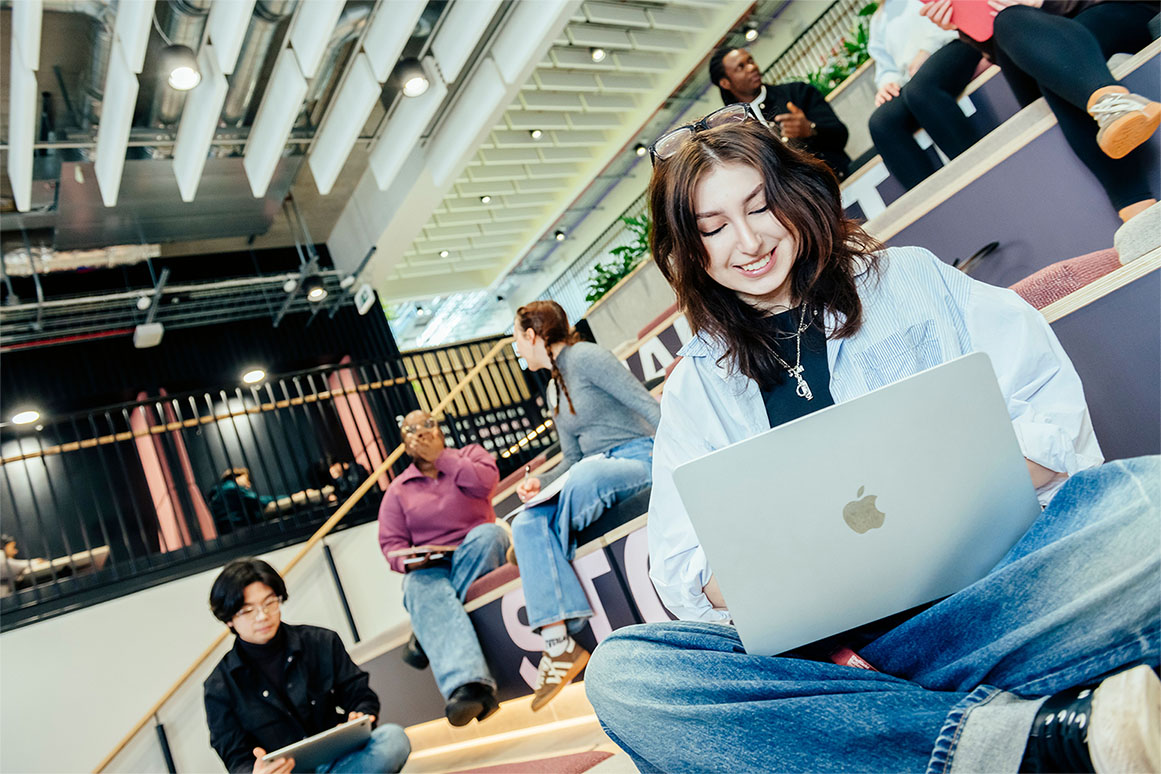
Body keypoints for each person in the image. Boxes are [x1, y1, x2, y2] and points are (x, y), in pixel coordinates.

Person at [584, 115, 1161, 772]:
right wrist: (795, 569)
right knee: (625, 677)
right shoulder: (698, 385)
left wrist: (937, 499)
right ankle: (1013, 738)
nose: (746, 242)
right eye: (713, 228)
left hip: (995, 599)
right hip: (835, 653)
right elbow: (686, 573)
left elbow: (1050, 420)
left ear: (795, 195)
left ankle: (879, 731)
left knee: (1150, 504)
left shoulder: (909, 279)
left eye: (759, 206)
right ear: (690, 251)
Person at [510, 300, 660, 710]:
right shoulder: (553, 388)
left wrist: (681, 454)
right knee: (525, 522)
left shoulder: (588, 357)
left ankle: (539, 552)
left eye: (517, 340)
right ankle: (559, 645)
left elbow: (646, 404)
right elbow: (572, 459)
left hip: (638, 456)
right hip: (591, 469)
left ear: (532, 335)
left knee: (585, 481)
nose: (517, 350)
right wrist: (541, 481)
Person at [920, 0, 1159, 222]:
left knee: (1056, 59)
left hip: (1113, 11)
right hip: (1037, 37)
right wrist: (965, 24)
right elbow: (1000, 47)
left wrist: (1042, 2)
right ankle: (1112, 102)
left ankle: (1136, 206)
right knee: (1012, 23)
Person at [203, 558, 410, 774]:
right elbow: (235, 755)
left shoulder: (320, 641)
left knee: (393, 739)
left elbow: (359, 695)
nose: (263, 616)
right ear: (228, 619)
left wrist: (359, 716)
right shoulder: (219, 686)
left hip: (339, 759)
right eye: (247, 611)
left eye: (269, 603)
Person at [377, 410, 509, 726]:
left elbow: (486, 484)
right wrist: (410, 557)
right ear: (404, 443)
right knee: (416, 584)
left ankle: (428, 629)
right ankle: (468, 687)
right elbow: (391, 547)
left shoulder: (470, 456)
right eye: (410, 430)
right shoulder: (398, 490)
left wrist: (443, 459)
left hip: (474, 553)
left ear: (440, 430)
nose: (420, 434)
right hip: (431, 569)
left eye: (426, 425)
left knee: (491, 534)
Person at [867, 0, 985, 189]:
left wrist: (926, 51)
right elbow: (885, 66)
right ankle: (931, 201)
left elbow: (955, 11)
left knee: (920, 90)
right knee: (881, 123)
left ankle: (979, 171)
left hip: (956, 42)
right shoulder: (878, 19)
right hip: (914, 78)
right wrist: (887, 83)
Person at [708, 46, 851, 179]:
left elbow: (841, 134)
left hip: (835, 180)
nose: (752, 67)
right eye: (741, 67)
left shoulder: (798, 92)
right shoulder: (730, 129)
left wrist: (810, 130)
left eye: (750, 60)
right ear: (725, 83)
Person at [207, 468, 332, 535]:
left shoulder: (222, 490)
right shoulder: (230, 488)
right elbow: (258, 501)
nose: (249, 484)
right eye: (247, 479)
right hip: (238, 529)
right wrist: (293, 497)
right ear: (236, 476)